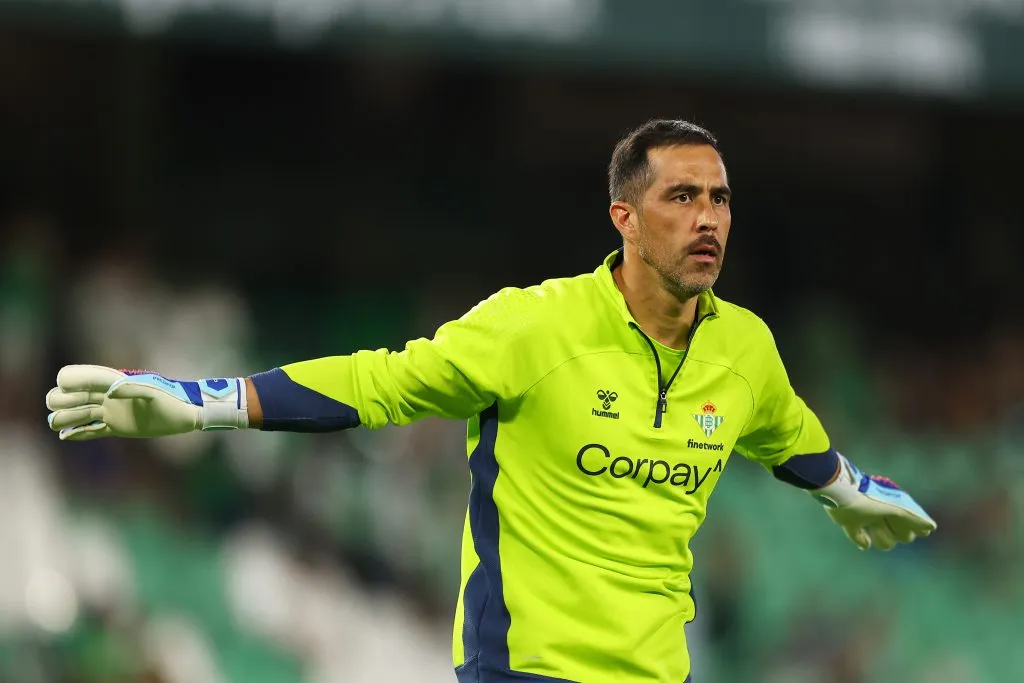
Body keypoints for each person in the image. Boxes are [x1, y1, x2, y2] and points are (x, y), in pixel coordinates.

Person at [45, 119, 936, 683]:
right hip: (522, 672)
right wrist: (202, 400)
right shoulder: (532, 329)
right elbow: (378, 384)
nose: (708, 218)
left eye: (721, 199)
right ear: (624, 217)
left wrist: (847, 487)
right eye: (681, 197)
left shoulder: (744, 348)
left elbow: (789, 434)